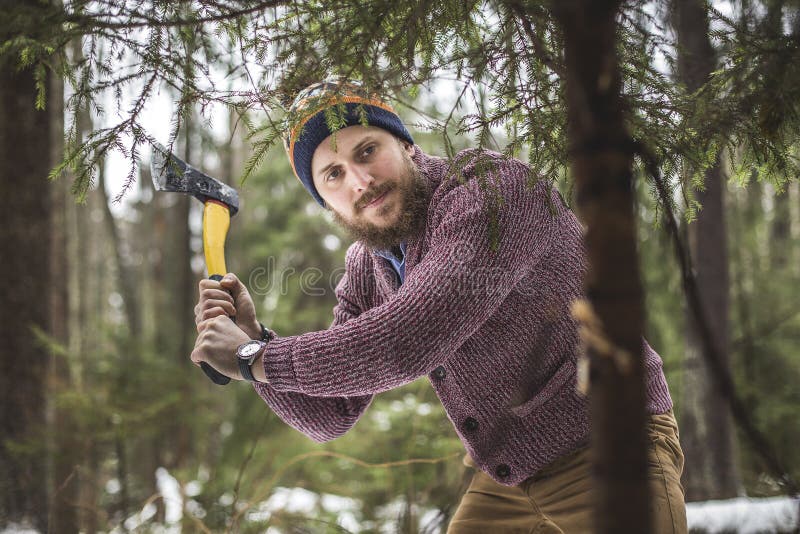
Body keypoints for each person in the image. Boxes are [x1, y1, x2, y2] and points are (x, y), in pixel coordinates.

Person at [191, 80, 687, 533]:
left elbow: (410, 338)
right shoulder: (367, 264)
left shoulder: (493, 191)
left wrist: (251, 358)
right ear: (326, 203)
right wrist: (256, 340)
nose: (360, 182)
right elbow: (331, 416)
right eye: (334, 175)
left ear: (405, 144)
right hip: (509, 477)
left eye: (368, 151)